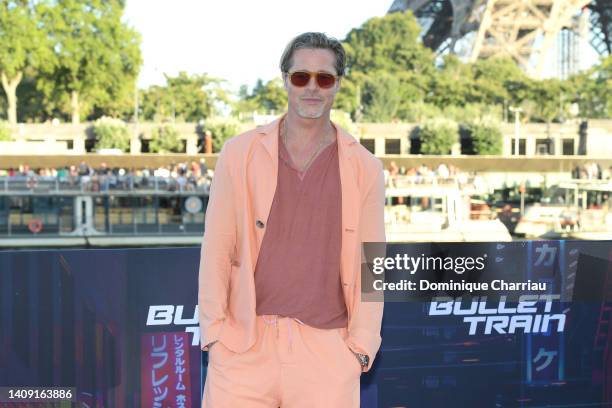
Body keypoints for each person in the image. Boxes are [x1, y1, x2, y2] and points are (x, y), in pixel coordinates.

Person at [198, 32, 385, 408]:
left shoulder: (365, 166)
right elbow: (217, 247)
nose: (312, 87)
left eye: (324, 78)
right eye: (301, 76)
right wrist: (215, 335)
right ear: (285, 79)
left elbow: (372, 264)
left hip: (327, 355)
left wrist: (360, 348)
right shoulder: (240, 154)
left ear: (338, 84)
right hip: (243, 348)